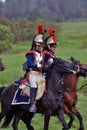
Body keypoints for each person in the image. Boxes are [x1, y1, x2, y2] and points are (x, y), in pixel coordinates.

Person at [25, 25, 45, 113]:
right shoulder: (31, 53)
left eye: (41, 46)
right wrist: (37, 65)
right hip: (32, 73)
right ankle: (32, 105)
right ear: (35, 46)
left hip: (40, 73)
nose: (40, 47)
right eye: (38, 46)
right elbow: (29, 64)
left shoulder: (42, 54)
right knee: (34, 85)